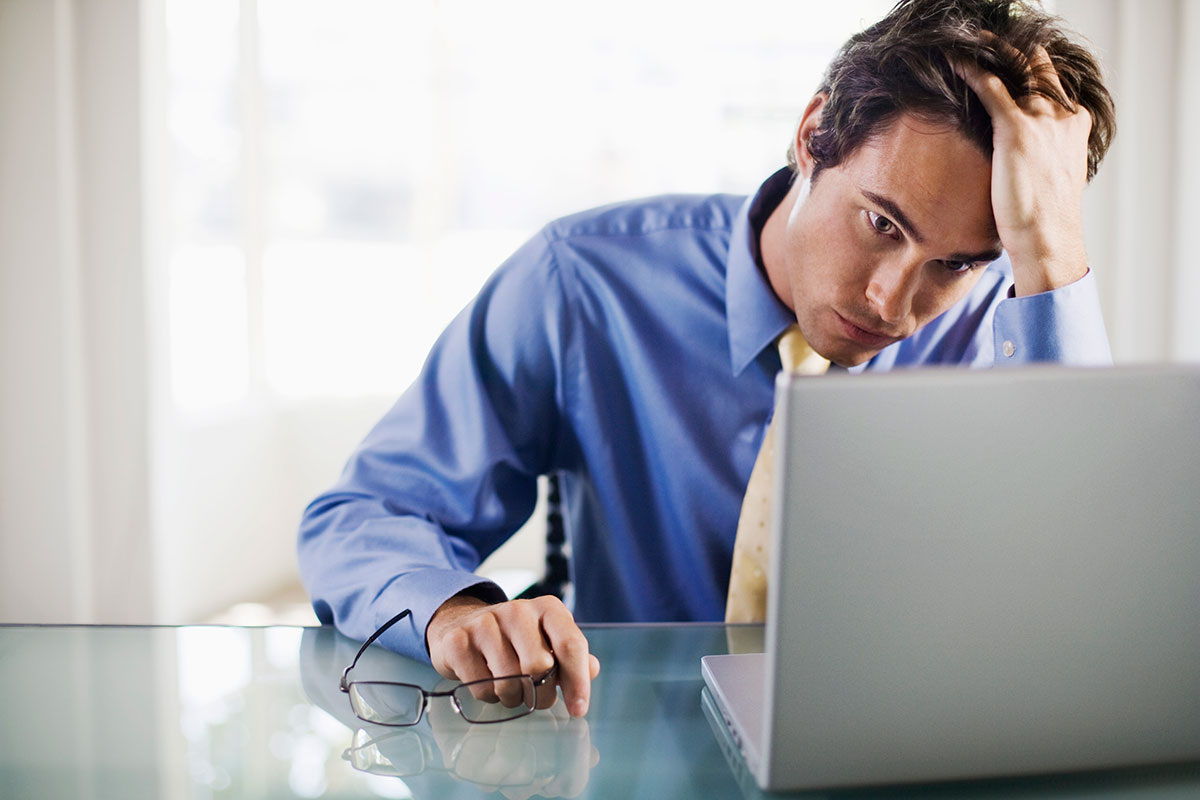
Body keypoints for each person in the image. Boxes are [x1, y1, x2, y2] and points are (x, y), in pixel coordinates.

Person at [298, 0, 1116, 722]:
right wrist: (453, 612)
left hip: (902, 749)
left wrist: (1051, 252)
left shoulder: (1007, 324)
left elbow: (1087, 601)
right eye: (881, 224)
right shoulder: (582, 282)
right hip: (621, 746)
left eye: (958, 262)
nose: (891, 302)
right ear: (811, 136)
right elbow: (361, 517)